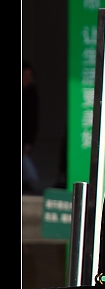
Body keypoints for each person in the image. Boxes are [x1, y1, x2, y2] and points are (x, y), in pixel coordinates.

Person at [22, 59, 40, 194]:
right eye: (25, 75)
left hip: (25, 137)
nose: (27, 78)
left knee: (29, 171)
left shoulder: (31, 94)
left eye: (30, 75)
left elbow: (32, 120)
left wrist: (28, 142)